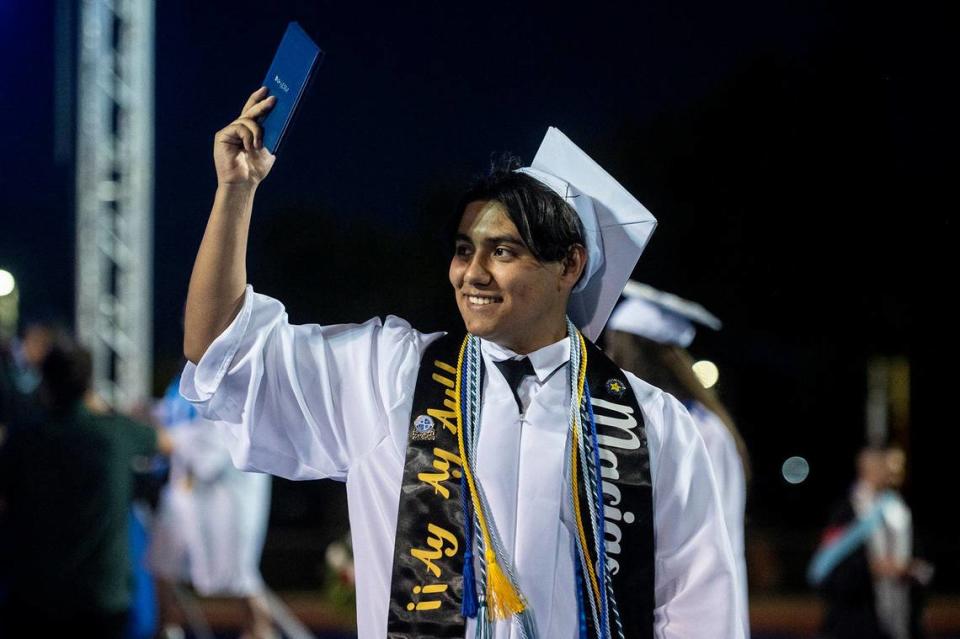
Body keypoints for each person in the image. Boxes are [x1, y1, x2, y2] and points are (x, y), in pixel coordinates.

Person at [180, 88, 743, 638]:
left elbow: (698, 609)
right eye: (463, 249)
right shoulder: (389, 374)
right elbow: (223, 353)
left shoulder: (652, 424)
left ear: (569, 266)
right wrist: (236, 191)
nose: (472, 273)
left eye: (503, 251)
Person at [603, 281, 751, 638]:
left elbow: (709, 545)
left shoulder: (703, 431)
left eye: (614, 347)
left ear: (636, 353)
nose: (608, 358)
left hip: (688, 609)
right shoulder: (635, 423)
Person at [0, 334, 172, 638]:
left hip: (32, 597)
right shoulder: (115, 433)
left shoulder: (22, 438)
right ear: (88, 382)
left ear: (45, 381)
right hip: (102, 600)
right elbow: (167, 443)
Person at [150, 373, 275, 639]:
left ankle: (260, 632)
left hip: (227, 497)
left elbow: (198, 443)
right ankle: (166, 629)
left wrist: (151, 435)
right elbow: (166, 415)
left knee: (240, 578)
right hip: (185, 492)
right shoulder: (182, 381)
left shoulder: (233, 378)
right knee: (162, 564)